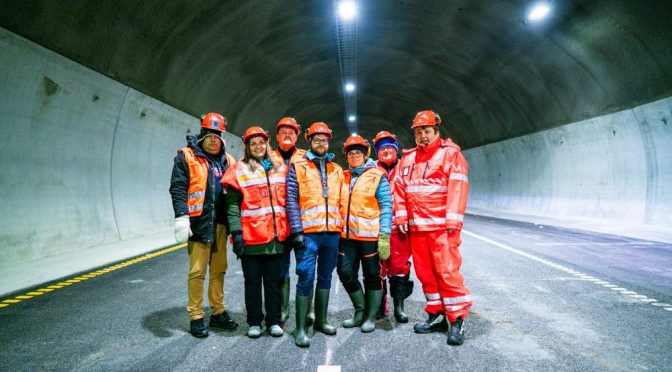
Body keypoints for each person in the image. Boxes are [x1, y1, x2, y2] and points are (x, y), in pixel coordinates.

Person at [394, 110, 471, 346]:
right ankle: (436, 314)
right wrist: (402, 217)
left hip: (442, 229)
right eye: (418, 132)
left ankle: (456, 319)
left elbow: (458, 189)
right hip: (418, 230)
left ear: (437, 131)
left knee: (447, 273)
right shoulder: (407, 160)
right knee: (426, 275)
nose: (423, 136)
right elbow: (399, 188)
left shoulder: (450, 156)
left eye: (427, 131)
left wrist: (452, 223)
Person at [169, 112, 239, 338]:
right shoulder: (187, 157)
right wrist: (181, 216)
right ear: (201, 135)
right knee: (197, 271)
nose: (212, 139)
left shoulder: (229, 160)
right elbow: (178, 187)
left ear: (222, 138)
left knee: (219, 270)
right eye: (208, 135)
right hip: (199, 224)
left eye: (216, 135)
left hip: (221, 225)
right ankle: (196, 316)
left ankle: (217, 312)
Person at [221, 126, 288, 339]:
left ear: (267, 144)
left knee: (273, 283)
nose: (258, 147)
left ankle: (274, 321)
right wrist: (236, 233)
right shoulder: (238, 169)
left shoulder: (279, 166)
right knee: (252, 283)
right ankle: (254, 322)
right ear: (248, 147)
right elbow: (232, 205)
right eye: (253, 144)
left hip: (275, 239)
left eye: (261, 143)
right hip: (251, 239)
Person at [286, 122, 344, 347]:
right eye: (317, 140)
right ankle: (300, 329)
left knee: (326, 277)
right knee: (305, 277)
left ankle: (321, 320)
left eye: (325, 140)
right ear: (309, 142)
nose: (321, 143)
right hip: (308, 234)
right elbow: (291, 200)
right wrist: (297, 230)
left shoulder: (336, 169)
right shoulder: (297, 166)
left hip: (332, 234)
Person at [337, 135, 392, 333]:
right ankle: (359, 310)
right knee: (345, 272)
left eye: (357, 153)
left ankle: (370, 316)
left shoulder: (377, 175)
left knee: (372, 276)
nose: (354, 156)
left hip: (370, 237)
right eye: (350, 153)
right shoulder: (342, 176)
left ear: (365, 154)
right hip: (347, 237)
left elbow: (386, 205)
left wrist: (385, 236)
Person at [373, 131, 413, 324]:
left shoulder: (407, 167)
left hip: (400, 228)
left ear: (396, 150)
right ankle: (381, 306)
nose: (386, 150)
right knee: (377, 268)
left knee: (399, 268)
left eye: (389, 147)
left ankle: (399, 306)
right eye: (382, 148)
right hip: (377, 227)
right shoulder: (371, 169)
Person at [271, 117, 309, 325]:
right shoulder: (268, 158)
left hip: (303, 224)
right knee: (281, 269)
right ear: (276, 136)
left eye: (291, 132)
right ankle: (283, 310)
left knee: (305, 268)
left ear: (297, 136)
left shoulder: (306, 157)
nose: (287, 135)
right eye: (283, 131)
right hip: (278, 225)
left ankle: (308, 310)